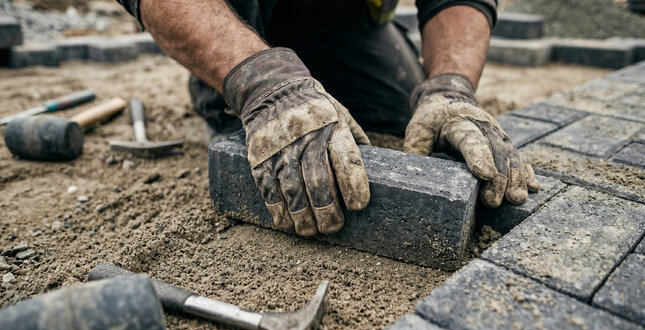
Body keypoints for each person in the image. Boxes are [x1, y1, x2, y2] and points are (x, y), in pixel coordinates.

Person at [114, 0, 541, 237]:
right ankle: (233, 73)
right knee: (271, 135)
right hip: (234, 7)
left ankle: (309, 64)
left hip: (340, 14)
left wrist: (451, 85)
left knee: (396, 114)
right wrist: (262, 83)